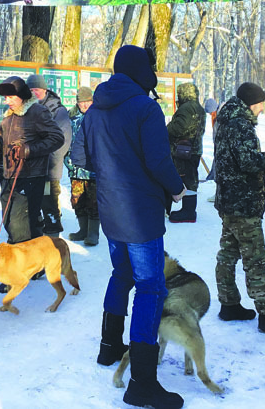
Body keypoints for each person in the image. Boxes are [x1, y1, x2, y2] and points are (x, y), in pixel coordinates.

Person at [71, 45, 187, 409]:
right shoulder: (146, 107)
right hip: (140, 213)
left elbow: (79, 156)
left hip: (110, 209)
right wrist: (178, 188)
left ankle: (109, 347)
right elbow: (158, 160)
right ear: (142, 71)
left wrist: (110, 173)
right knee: (151, 289)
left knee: (122, 276)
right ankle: (142, 383)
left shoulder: (95, 109)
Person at [213, 82, 265, 333]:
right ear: (254, 103)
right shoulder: (241, 124)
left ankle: (229, 303)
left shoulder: (226, 119)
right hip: (243, 203)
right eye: (262, 106)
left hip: (229, 200)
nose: (263, 111)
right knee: (254, 257)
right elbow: (247, 161)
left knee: (228, 252)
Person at [0, 76, 64, 246]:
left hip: (30, 176)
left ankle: (29, 267)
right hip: (8, 176)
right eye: (6, 98)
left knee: (19, 225)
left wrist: (29, 150)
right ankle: (26, 262)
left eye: (11, 97)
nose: (7, 101)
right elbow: (0, 144)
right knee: (10, 221)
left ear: (22, 96)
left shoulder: (37, 112)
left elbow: (57, 138)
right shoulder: (8, 117)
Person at [25, 73, 71, 236]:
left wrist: (47, 162)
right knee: (32, 206)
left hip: (47, 170)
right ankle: (35, 238)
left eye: (36, 89)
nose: (33, 93)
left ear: (44, 89)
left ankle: (53, 240)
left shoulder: (58, 111)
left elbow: (62, 142)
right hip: (29, 170)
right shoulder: (25, 109)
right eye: (30, 89)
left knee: (49, 204)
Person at [63, 86, 99, 246]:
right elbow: (65, 143)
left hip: (93, 171)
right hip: (75, 169)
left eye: (87, 102)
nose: (84, 105)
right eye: (81, 102)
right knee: (77, 200)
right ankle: (82, 230)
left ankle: (93, 234)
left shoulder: (98, 118)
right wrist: (68, 163)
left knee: (93, 201)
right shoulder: (71, 119)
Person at [167, 82, 206, 223]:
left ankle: (187, 212)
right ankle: (189, 209)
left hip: (183, 151)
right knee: (191, 179)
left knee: (182, 178)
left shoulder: (186, 108)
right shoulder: (199, 108)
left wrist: (168, 128)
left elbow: (178, 128)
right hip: (194, 150)